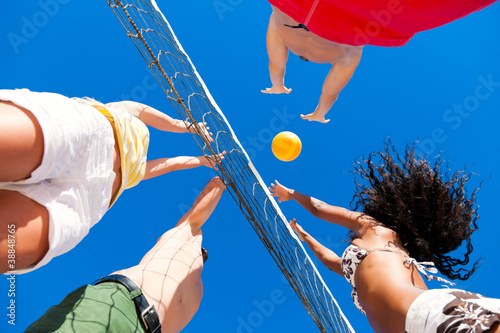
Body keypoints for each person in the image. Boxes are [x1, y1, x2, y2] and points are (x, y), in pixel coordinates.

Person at [269, 141, 500, 333]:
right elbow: (331, 263)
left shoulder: (376, 228)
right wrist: (304, 235)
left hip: (432, 313)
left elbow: (319, 208)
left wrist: (290, 193)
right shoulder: (384, 259)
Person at [0, 89, 224, 274]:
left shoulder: (133, 175)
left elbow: (172, 163)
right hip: (86, 135)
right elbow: (160, 119)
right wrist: (188, 126)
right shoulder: (120, 110)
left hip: (90, 200)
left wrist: (201, 161)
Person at [25, 176, 226, 333]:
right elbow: (196, 215)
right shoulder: (179, 239)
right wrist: (223, 179)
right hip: (118, 304)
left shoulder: (198, 291)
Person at [263, 0, 497, 123]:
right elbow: (277, 63)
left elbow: (331, 92)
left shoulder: (347, 56)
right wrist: (278, 84)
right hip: (312, 10)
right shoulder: (279, 27)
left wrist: (320, 111)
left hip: (362, 22)